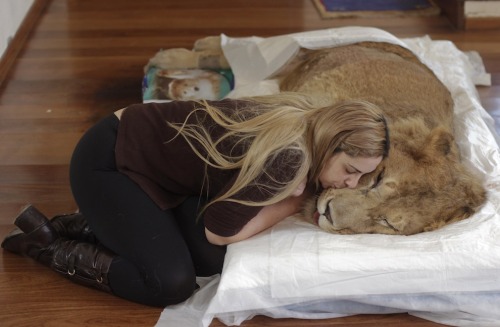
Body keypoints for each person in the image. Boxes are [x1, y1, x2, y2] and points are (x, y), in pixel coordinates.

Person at [1, 93, 389, 307]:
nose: (351, 184)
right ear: (331, 142)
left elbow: (215, 235)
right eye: (350, 170)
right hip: (109, 161)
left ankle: (86, 224)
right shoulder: (289, 158)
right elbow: (221, 231)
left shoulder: (312, 123)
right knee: (169, 284)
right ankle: (49, 245)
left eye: (362, 176)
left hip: (150, 168)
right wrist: (291, 203)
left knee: (209, 259)